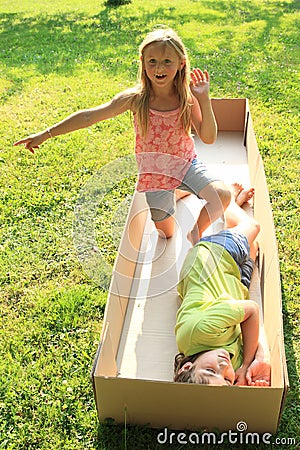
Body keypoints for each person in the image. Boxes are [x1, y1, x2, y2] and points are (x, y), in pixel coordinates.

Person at [14, 28, 230, 242]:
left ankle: (195, 231)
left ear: (181, 63)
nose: (158, 68)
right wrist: (47, 133)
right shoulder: (135, 98)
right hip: (155, 176)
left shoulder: (187, 97)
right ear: (142, 62)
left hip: (185, 165)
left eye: (167, 61)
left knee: (222, 195)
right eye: (152, 61)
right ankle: (176, 193)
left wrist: (204, 99)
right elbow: (89, 117)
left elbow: (208, 138)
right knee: (167, 234)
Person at [174, 184, 271, 386]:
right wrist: (261, 359)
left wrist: (245, 366)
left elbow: (252, 310)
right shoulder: (227, 363)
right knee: (252, 246)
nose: (223, 366)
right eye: (227, 379)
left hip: (211, 260)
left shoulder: (200, 330)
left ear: (187, 366)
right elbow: (253, 332)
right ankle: (232, 223)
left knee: (253, 227)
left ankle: (230, 201)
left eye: (210, 370)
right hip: (235, 286)